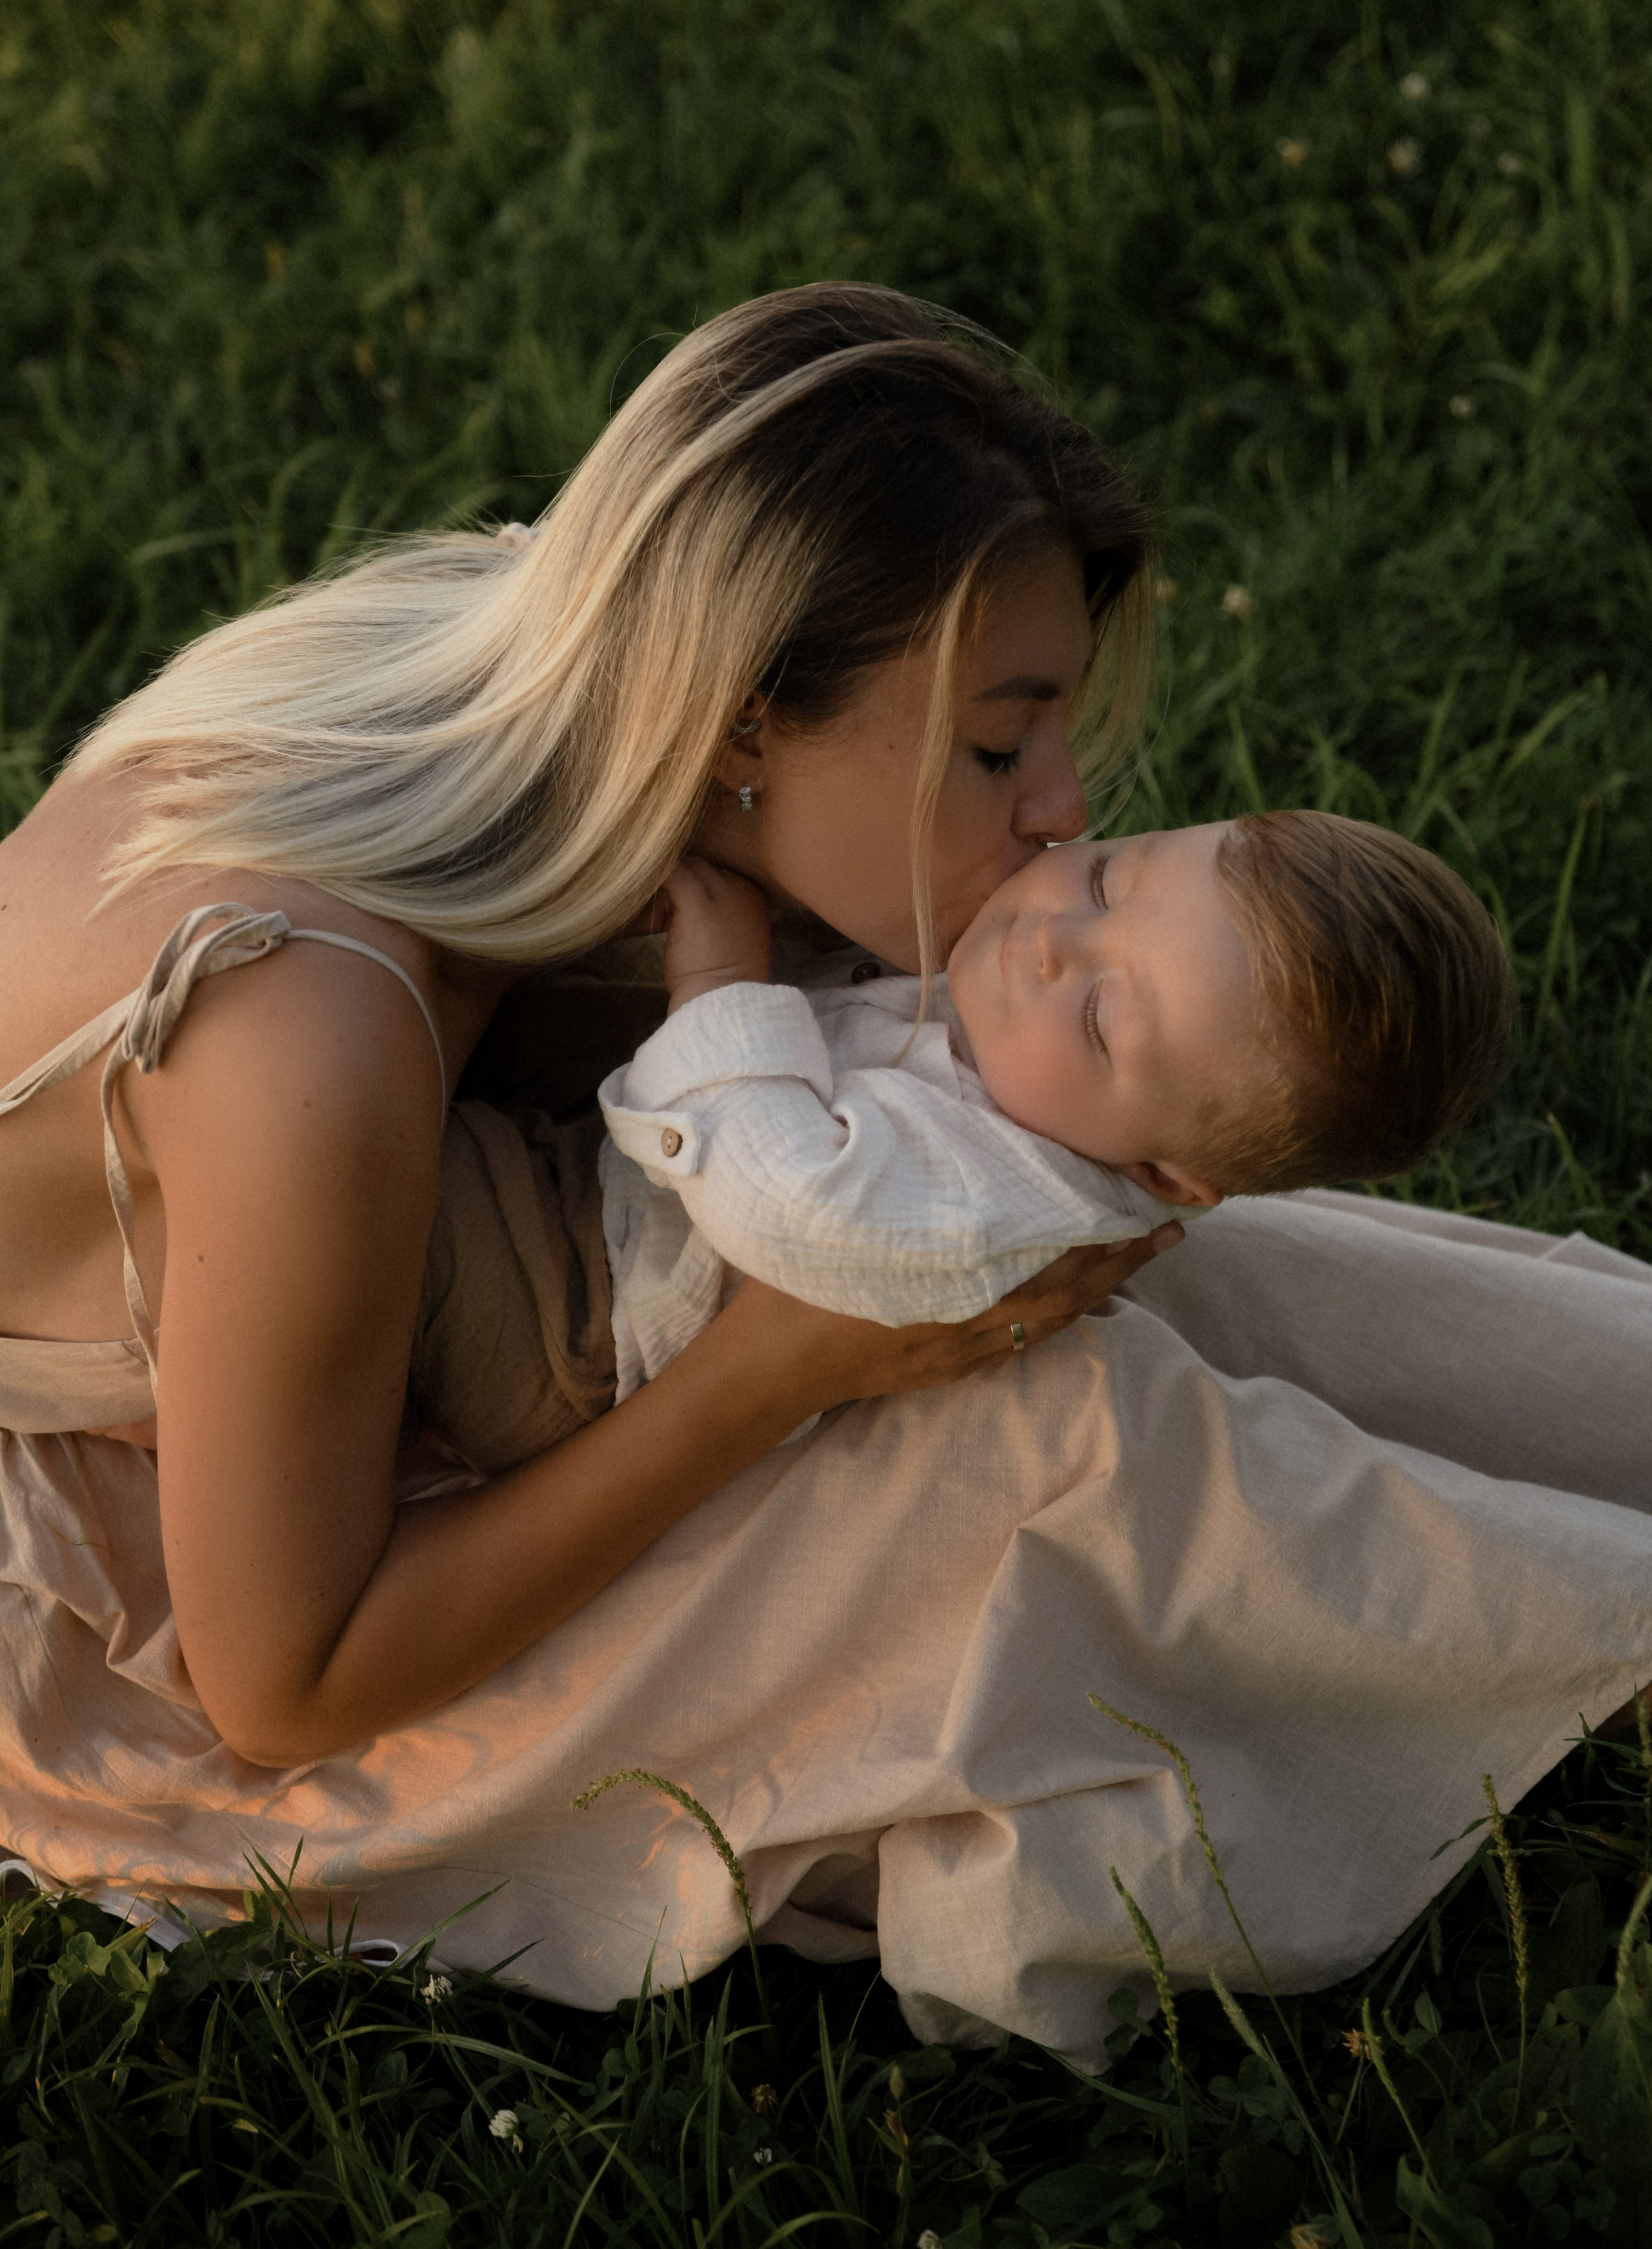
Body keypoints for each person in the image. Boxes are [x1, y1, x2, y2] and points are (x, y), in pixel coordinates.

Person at [0, 281, 1647, 2064]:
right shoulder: (303, 1033)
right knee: (1051, 1443)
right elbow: (286, 1687)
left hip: (430, 1338)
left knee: (1136, 1246)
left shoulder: (574, 715)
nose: (1063, 812)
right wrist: (775, 1373)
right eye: (997, 742)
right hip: (166, 1572)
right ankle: (1575, 1644)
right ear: (741, 719)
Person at [589, 810, 1513, 1413]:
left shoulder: (988, 1200)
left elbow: (782, 1200)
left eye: (1104, 1018)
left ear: (1159, 1177)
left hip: (574, 1304)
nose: (1051, 939)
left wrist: (719, 981)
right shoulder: (1035, 1064)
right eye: (1107, 880)